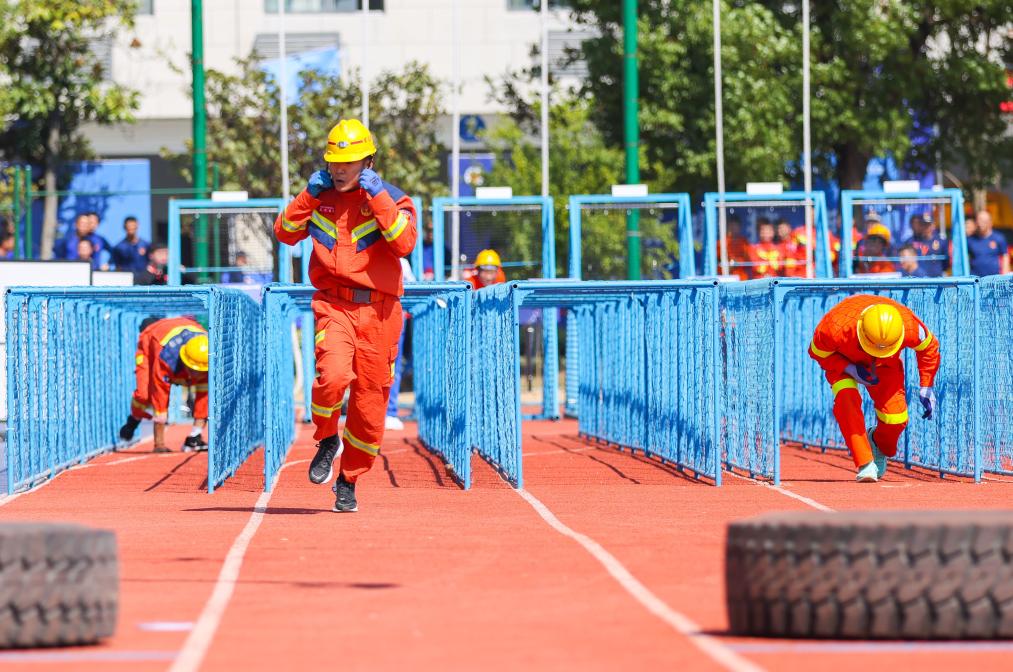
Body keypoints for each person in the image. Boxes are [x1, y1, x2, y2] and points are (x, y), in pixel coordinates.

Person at [274, 118, 417, 513]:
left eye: (349, 161)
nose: (340, 168)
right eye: (335, 161)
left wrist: (379, 198)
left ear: (368, 161)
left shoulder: (394, 198)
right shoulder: (318, 196)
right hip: (334, 304)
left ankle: (349, 479)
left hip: (381, 312)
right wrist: (306, 194)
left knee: (369, 407)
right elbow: (284, 232)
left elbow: (405, 243)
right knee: (332, 376)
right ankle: (326, 439)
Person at [808, 296, 939, 482]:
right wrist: (849, 369)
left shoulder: (909, 325)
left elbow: (929, 347)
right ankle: (865, 463)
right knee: (847, 400)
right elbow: (817, 353)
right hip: (843, 364)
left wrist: (926, 386)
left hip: (885, 366)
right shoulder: (832, 328)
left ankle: (877, 441)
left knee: (896, 418)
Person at [118, 316, 210, 453]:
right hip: (152, 340)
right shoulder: (166, 357)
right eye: (193, 370)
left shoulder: (208, 354)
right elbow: (160, 393)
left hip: (186, 335)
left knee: (206, 388)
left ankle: (194, 438)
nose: (197, 375)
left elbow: (204, 397)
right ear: (185, 361)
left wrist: (196, 432)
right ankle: (134, 419)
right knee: (145, 394)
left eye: (200, 372)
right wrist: (159, 445)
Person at [385, 258, 417, 431]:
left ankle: (389, 412)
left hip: (396, 317)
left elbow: (412, 286)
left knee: (393, 367)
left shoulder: (403, 263)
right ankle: (371, 412)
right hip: (374, 316)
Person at [967, 210, 1010, 276]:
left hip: (994, 279)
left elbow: (1005, 256)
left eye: (983, 221)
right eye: (978, 220)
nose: (980, 223)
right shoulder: (970, 239)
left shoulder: (998, 238)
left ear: (990, 222)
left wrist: (1005, 274)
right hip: (975, 279)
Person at [723, 215, 752, 280]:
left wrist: (737, 262)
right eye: (731, 226)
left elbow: (748, 259)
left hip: (742, 277)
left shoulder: (744, 242)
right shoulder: (722, 242)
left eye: (736, 226)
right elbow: (718, 261)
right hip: (726, 276)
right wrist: (728, 266)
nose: (733, 228)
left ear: (739, 227)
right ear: (728, 227)